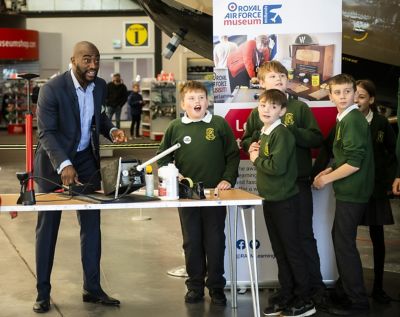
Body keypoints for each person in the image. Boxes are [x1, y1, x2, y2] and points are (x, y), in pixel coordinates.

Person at [33, 41, 126, 313]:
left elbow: (100, 117)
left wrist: (112, 131)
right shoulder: (52, 89)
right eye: (87, 60)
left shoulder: (100, 86)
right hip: (53, 165)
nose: (93, 65)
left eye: (96, 59)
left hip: (85, 161)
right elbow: (46, 133)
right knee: (48, 228)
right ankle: (42, 293)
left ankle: (92, 288)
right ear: (73, 60)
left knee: (91, 224)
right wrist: (63, 164)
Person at [241, 60, 325, 306]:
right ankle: (290, 289)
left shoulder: (299, 109)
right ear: (262, 83)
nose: (278, 80)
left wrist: (288, 130)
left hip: (297, 184)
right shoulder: (260, 111)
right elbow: (248, 137)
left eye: (282, 76)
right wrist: (251, 145)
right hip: (274, 186)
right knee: (284, 243)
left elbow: (316, 139)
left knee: (303, 238)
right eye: (272, 77)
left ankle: (314, 289)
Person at [157, 80, 240, 306]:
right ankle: (194, 287)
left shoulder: (219, 125)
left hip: (215, 195)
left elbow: (232, 155)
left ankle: (216, 287)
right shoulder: (175, 127)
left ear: (208, 100)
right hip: (187, 196)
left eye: (201, 97)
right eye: (192, 98)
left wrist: (227, 179)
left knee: (215, 241)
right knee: (191, 241)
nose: (197, 102)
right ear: (183, 104)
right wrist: (173, 175)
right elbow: (162, 158)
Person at [249, 89, 316, 317]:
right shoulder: (265, 132)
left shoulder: (283, 134)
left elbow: (277, 168)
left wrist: (256, 159)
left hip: (285, 201)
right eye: (263, 105)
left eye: (273, 106)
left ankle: (305, 297)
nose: (267, 109)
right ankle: (287, 292)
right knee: (280, 251)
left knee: (292, 250)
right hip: (270, 200)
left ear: (282, 111)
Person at [313, 73, 374, 315]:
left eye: (347, 92)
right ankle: (345, 291)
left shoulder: (352, 120)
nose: (342, 96)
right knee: (340, 238)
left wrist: (325, 179)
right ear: (330, 96)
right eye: (337, 92)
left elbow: (355, 163)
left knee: (344, 243)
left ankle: (357, 301)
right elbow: (344, 157)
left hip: (354, 190)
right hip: (349, 189)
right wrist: (327, 170)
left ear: (354, 93)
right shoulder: (344, 118)